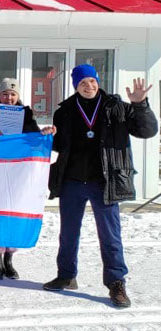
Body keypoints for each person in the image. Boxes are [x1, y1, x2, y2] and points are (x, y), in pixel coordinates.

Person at [43, 65, 156, 309]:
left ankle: (116, 282)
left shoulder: (116, 107)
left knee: (110, 235)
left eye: (92, 81)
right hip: (72, 181)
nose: (89, 86)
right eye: (83, 82)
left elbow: (147, 131)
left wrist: (139, 104)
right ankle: (66, 275)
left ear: (98, 82)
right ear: (76, 85)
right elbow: (60, 144)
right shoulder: (64, 111)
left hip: (104, 181)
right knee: (68, 233)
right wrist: (48, 136)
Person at [0, 78, 56, 279]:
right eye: (5, 94)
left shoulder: (26, 115)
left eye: (13, 94)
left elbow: (35, 139)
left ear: (18, 96)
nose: (9, 97)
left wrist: (45, 134)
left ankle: (9, 260)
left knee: (13, 214)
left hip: (17, 173)